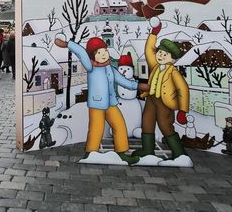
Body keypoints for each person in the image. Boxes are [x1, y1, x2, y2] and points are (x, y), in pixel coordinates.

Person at [55, 33, 139, 163]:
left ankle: (122, 153)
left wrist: (139, 86)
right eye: (99, 52)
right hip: (97, 104)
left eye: (104, 50)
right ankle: (90, 153)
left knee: (120, 125)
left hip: (111, 103)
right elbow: (82, 52)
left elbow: (124, 81)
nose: (103, 54)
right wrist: (67, 44)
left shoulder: (110, 68)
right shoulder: (91, 67)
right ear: (93, 55)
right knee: (96, 129)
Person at [131, 17, 189, 161]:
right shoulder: (155, 66)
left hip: (165, 102)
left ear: (172, 59)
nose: (161, 56)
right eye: (160, 53)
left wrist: (182, 110)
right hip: (151, 99)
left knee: (166, 126)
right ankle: (147, 150)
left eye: (165, 55)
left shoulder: (173, 72)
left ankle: (178, 152)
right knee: (147, 123)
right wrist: (154, 33)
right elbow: (149, 50)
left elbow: (183, 90)